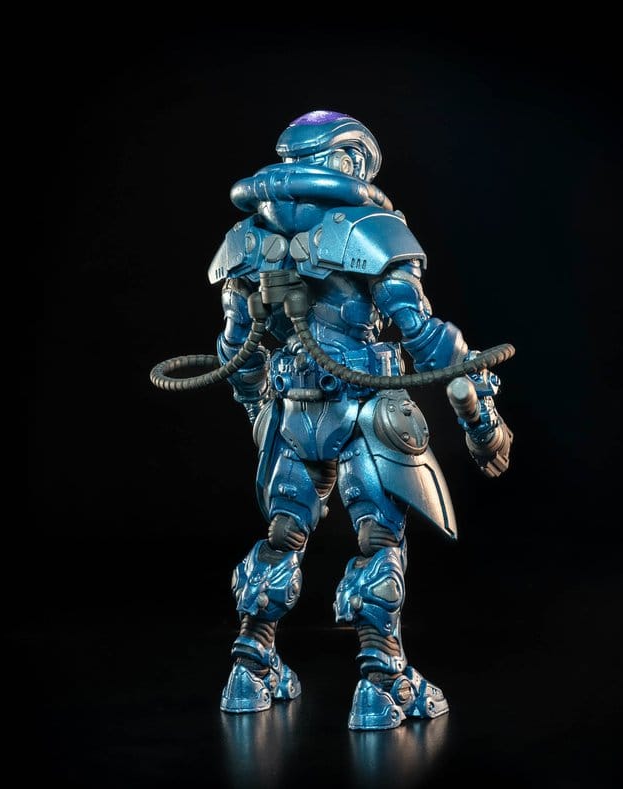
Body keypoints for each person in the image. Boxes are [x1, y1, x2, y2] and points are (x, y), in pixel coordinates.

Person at [199, 111, 512, 730]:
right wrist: (482, 420)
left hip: (291, 411)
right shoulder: (374, 231)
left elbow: (238, 351)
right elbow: (427, 340)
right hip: (362, 408)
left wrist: (260, 409)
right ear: (350, 161)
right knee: (378, 541)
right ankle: (382, 682)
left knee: (283, 533)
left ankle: (249, 669)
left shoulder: (248, 240)